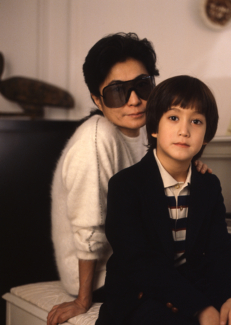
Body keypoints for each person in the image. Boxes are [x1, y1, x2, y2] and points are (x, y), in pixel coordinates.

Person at [47, 33, 211, 325]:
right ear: (97, 99)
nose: (134, 100)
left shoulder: (147, 130)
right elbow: (89, 229)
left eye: (142, 86)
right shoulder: (96, 139)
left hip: (139, 257)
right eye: (117, 92)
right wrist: (83, 299)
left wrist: (189, 167)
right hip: (98, 275)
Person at [95, 75, 231, 325]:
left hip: (195, 285)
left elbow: (220, 250)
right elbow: (138, 262)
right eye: (174, 117)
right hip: (142, 293)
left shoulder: (208, 185)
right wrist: (199, 307)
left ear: (206, 136)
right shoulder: (125, 185)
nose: (184, 130)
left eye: (196, 121)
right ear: (155, 127)